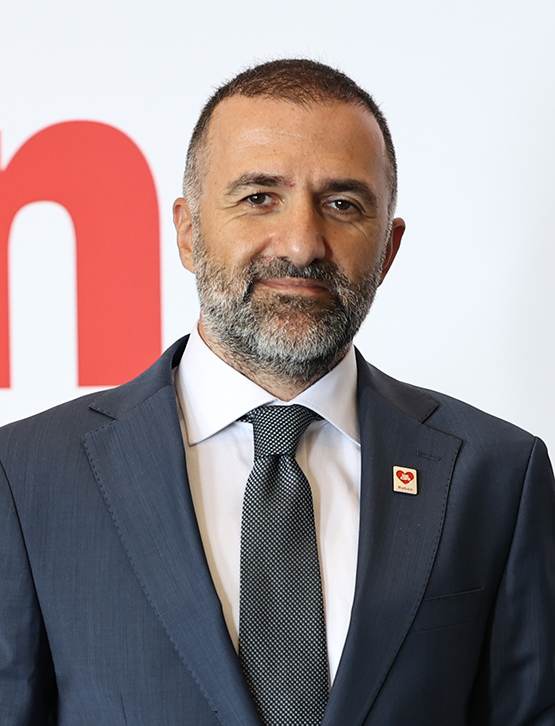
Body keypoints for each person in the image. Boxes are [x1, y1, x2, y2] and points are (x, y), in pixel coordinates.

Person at [0, 59, 554, 726]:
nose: (300, 245)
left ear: (387, 249)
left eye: (342, 204)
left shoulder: (496, 473)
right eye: (259, 197)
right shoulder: (27, 475)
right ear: (188, 231)